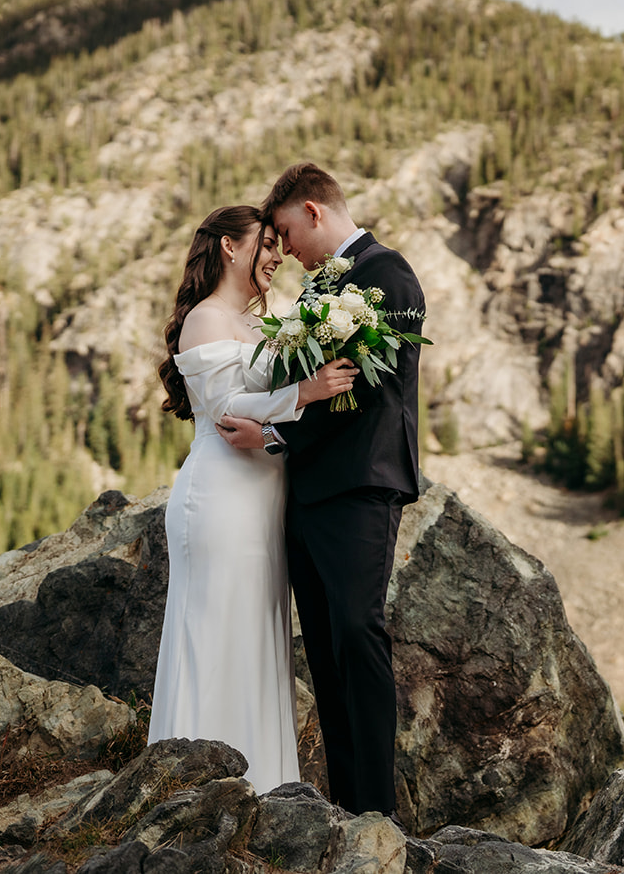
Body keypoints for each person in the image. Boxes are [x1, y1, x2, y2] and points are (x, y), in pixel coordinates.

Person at [217, 163, 425, 817]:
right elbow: (297, 378)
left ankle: (378, 813)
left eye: (284, 232)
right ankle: (344, 809)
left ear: (313, 212)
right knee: (327, 657)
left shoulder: (390, 275)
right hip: (305, 498)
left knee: (359, 635)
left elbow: (376, 391)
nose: (284, 251)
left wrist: (276, 436)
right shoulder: (321, 290)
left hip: (360, 487)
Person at [149, 204, 358, 794]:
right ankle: (190, 791)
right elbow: (223, 412)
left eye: (277, 243)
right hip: (220, 499)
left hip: (265, 499)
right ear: (227, 247)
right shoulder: (206, 320)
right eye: (265, 243)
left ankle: (260, 791)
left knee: (258, 639)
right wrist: (307, 392)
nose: (276, 256)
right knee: (215, 630)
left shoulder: (263, 322)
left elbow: (262, 420)